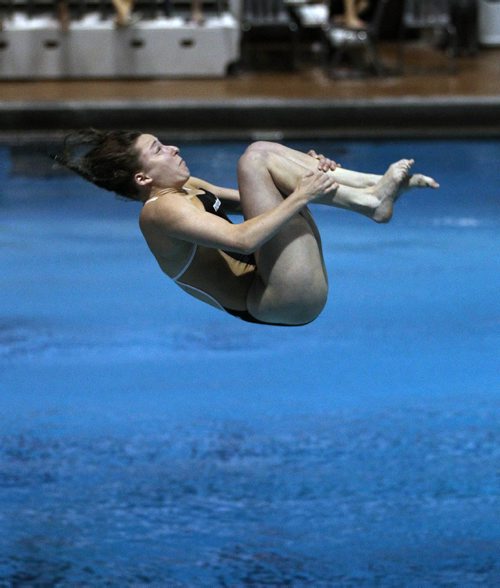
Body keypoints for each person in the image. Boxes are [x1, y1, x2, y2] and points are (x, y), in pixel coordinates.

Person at [54, 130, 439, 326]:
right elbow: (245, 236)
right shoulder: (160, 212)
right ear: (142, 178)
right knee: (256, 160)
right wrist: (300, 194)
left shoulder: (185, 187)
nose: (171, 149)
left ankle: (374, 192)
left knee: (260, 155)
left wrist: (296, 175)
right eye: (158, 150)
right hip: (278, 299)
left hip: (275, 272)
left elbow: (245, 199)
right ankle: (372, 199)